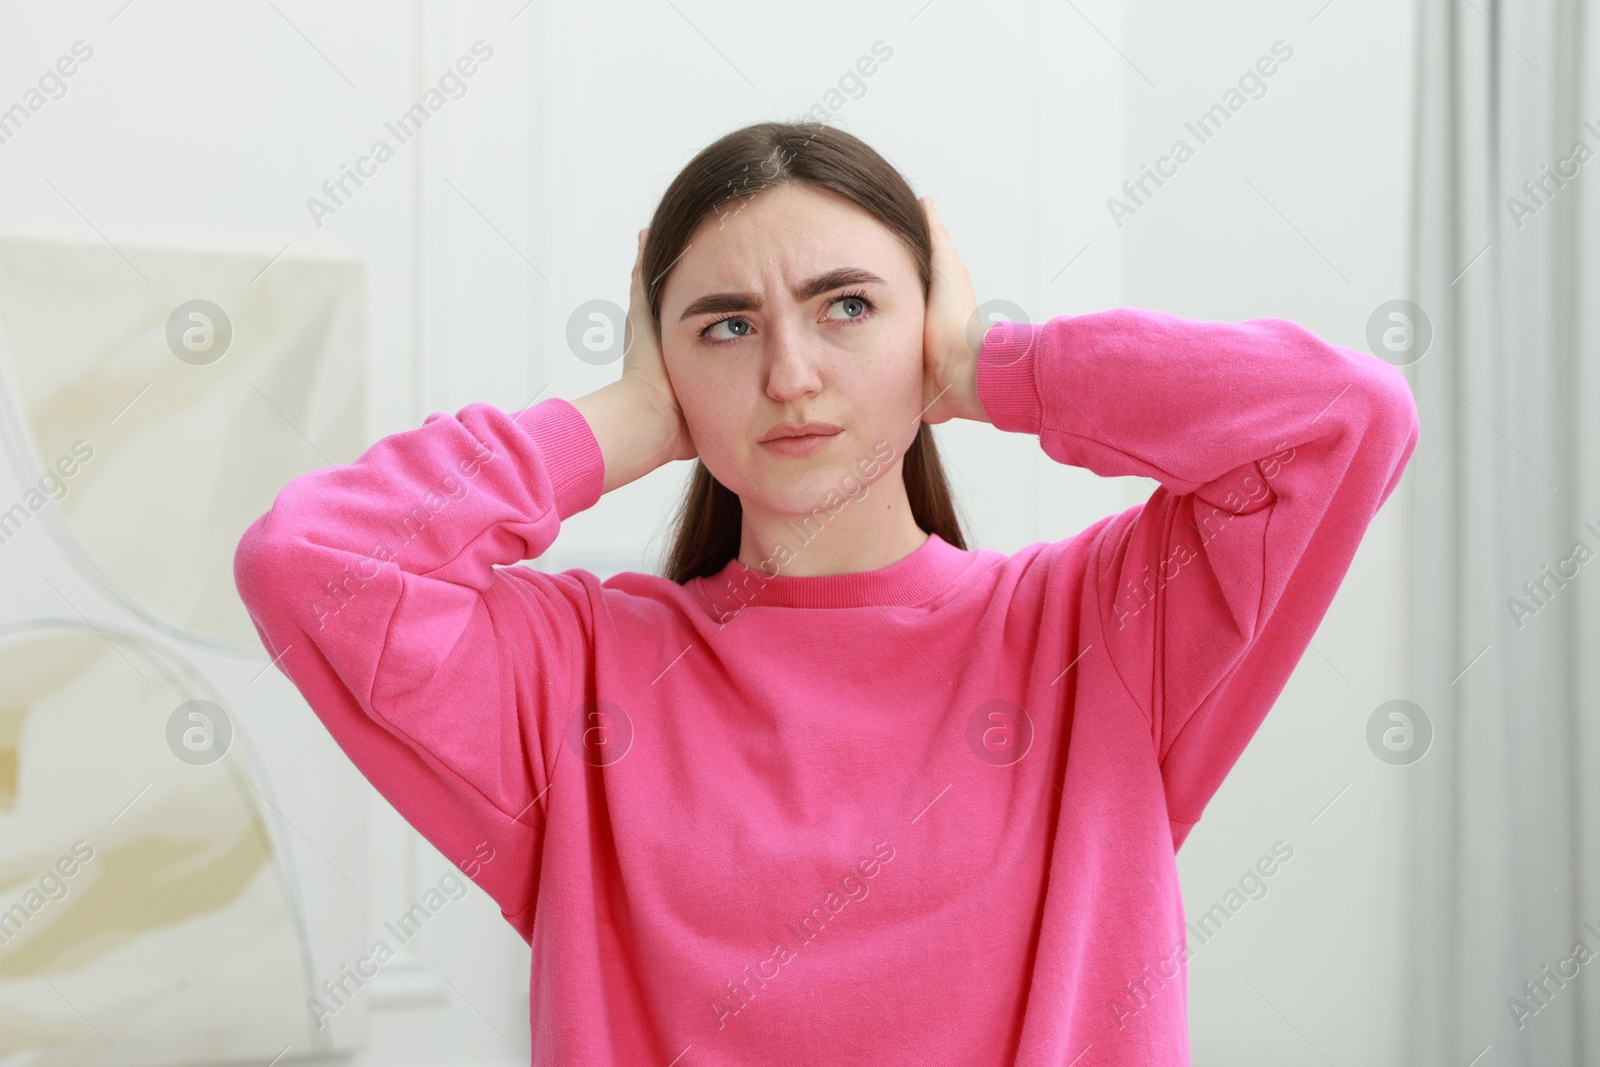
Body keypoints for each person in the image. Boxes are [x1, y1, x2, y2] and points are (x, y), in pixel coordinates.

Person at [234, 121, 1419, 1065]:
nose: (789, 374)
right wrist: (635, 423)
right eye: (725, 326)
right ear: (664, 358)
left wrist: (991, 367)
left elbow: (1343, 418)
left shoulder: (1100, 632)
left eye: (847, 304)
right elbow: (310, 560)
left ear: (927, 324)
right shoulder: (579, 671)